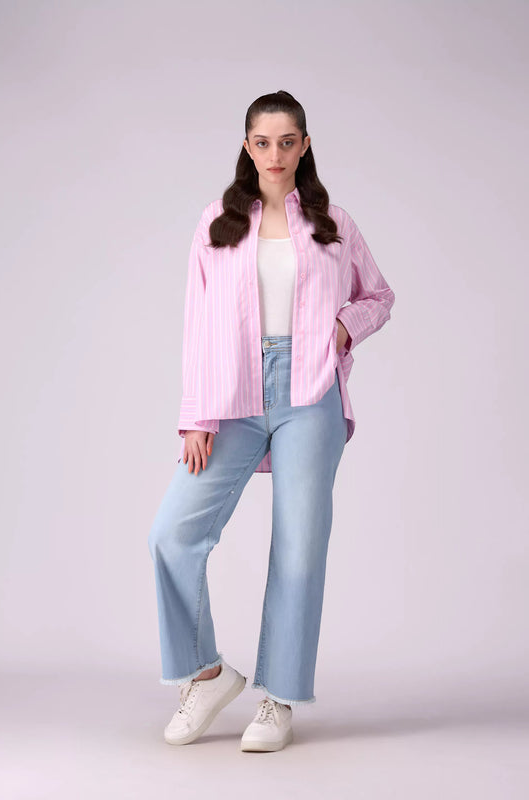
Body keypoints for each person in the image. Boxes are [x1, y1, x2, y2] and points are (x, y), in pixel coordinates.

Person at [148, 90, 395, 752]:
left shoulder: (332, 223)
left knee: (298, 547)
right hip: (232, 393)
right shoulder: (217, 222)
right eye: (263, 142)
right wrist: (195, 415)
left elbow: (378, 295)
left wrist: (344, 328)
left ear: (304, 145)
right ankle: (206, 675)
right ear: (247, 146)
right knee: (172, 534)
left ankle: (279, 698)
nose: (275, 154)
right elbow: (198, 324)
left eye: (287, 141)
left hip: (310, 394)